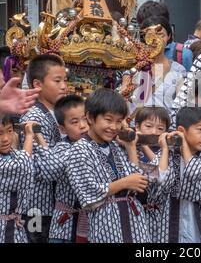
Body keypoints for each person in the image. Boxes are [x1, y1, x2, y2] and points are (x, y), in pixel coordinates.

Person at [65, 88, 150, 243]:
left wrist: (131, 147)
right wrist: (124, 182)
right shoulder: (78, 150)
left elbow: (138, 182)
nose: (114, 127)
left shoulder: (116, 147)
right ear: (90, 117)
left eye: (119, 121)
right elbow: (88, 194)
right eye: (108, 120)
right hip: (105, 226)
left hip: (135, 225)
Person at [151, 107, 201, 243]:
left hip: (197, 217)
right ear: (182, 131)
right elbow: (158, 180)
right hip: (169, 217)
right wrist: (164, 149)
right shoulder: (169, 154)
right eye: (200, 129)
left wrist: (184, 147)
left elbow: (195, 173)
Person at [19, 54, 67, 243]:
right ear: (37, 84)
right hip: (36, 205)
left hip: (49, 206)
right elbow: (46, 169)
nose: (64, 86)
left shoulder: (52, 113)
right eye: (57, 81)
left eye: (65, 80)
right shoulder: (33, 116)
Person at [30, 95, 89, 243]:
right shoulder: (62, 147)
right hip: (64, 222)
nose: (82, 125)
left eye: (85, 119)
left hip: (88, 221)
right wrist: (41, 139)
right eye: (74, 122)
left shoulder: (96, 146)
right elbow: (51, 171)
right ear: (62, 128)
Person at [131, 16, 187, 113]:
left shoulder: (178, 70)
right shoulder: (133, 66)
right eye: (150, 35)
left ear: (169, 36)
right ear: (144, 37)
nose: (156, 40)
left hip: (166, 126)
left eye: (161, 35)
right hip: (136, 125)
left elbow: (181, 107)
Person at [0, 115, 38, 243]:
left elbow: (55, 167)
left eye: (9, 130)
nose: (5, 139)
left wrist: (38, 135)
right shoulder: (18, 160)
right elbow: (22, 166)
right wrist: (28, 136)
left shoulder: (14, 154)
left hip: (15, 228)